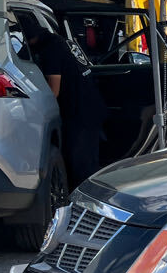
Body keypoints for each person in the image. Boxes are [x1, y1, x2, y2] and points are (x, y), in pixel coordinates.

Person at [21, 19, 108, 188]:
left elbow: (54, 90)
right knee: (88, 162)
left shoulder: (51, 50)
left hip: (80, 113)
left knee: (80, 166)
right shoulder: (63, 41)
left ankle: (82, 203)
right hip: (91, 106)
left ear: (31, 39)